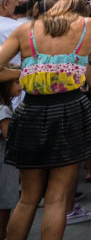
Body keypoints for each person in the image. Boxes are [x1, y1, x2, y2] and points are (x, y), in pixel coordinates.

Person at [0, 0, 91, 240]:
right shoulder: (90, 25)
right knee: (56, 198)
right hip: (70, 110)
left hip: (30, 111)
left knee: (28, 199)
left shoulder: (25, 30)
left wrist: (28, 71)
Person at [0, 68, 23, 239]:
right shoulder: (3, 110)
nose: (20, 85)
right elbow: (10, 137)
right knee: (4, 203)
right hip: (4, 163)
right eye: (16, 81)